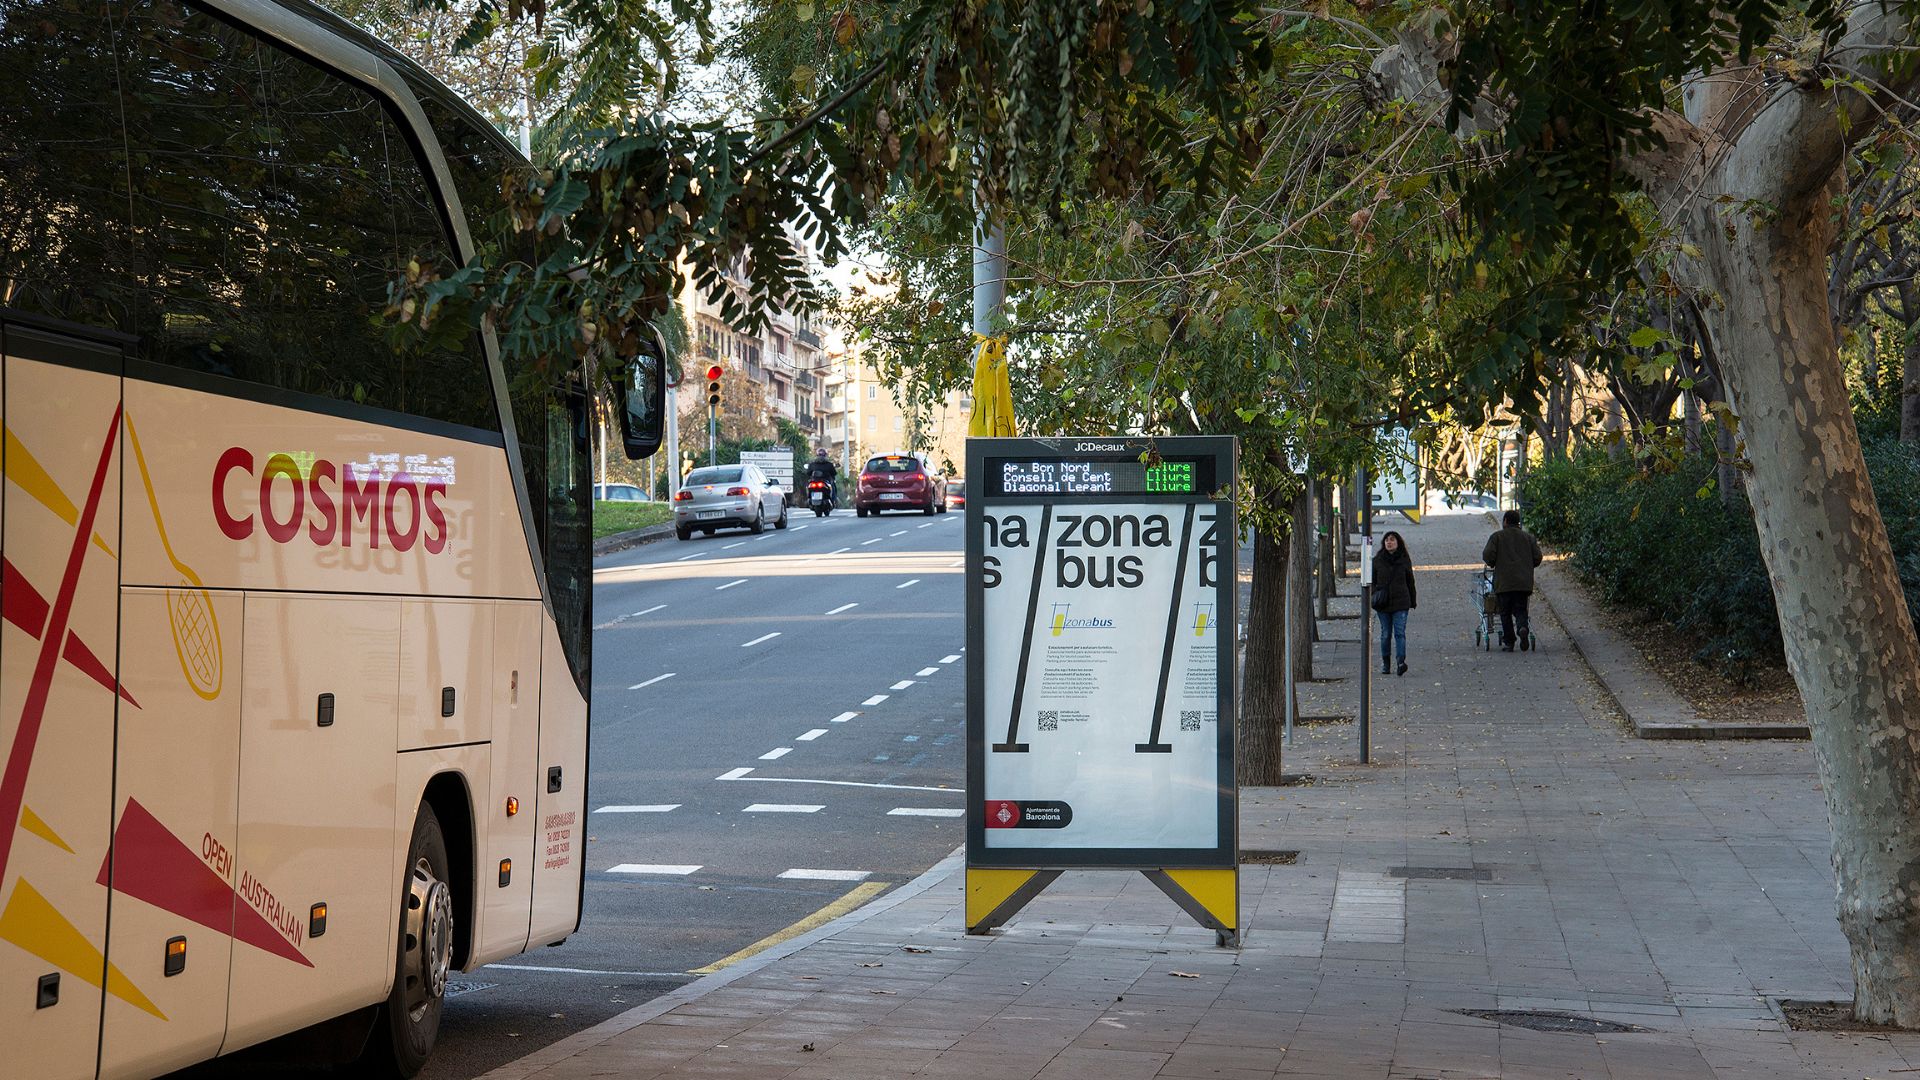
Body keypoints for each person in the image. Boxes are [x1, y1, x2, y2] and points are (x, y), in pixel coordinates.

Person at [1483, 509, 1543, 651]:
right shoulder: (1528, 538)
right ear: (1518, 523)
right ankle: (1522, 628)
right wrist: (1527, 566)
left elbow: (1488, 555)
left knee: (1505, 612)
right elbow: (1537, 557)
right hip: (1523, 583)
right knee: (1520, 609)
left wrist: (1492, 563)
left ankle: (1509, 642)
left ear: (1505, 521)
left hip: (1504, 582)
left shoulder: (1497, 537)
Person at [1370, 531, 1417, 676]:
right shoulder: (1377, 560)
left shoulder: (1404, 560)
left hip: (1401, 602)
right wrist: (1375, 594)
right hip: (1383, 604)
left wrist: (1412, 600)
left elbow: (1410, 581)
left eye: (1392, 540)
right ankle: (1386, 663)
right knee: (1385, 634)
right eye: (1386, 540)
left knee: (1399, 633)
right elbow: (1372, 581)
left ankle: (1401, 662)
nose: (1389, 542)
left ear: (1398, 543)